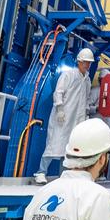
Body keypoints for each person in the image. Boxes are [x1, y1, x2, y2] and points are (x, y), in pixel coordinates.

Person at [38, 47, 95, 183]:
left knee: (70, 148)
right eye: (85, 62)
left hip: (77, 119)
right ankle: (41, 172)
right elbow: (58, 92)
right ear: (79, 61)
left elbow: (86, 99)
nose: (87, 65)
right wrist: (59, 108)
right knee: (54, 144)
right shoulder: (69, 75)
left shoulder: (86, 79)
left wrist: (85, 114)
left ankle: (63, 175)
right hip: (62, 117)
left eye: (89, 62)